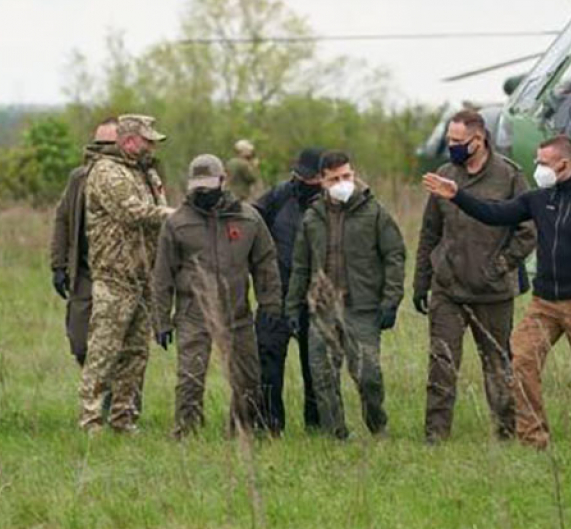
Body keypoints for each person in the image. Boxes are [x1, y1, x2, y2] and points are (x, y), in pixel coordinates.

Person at [423, 135, 571, 451]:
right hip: (544, 303)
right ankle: (533, 440)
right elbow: (496, 213)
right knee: (519, 362)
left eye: (543, 162)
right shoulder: (537, 199)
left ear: (564, 163)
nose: (537, 168)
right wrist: (457, 196)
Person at [414, 110, 536, 443]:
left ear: (478, 140)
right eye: (449, 140)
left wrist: (500, 266)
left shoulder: (509, 176)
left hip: (493, 293)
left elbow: (528, 231)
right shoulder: (444, 174)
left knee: (498, 366)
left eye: (457, 141)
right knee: (441, 365)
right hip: (448, 289)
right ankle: (435, 437)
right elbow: (429, 232)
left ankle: (506, 433)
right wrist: (421, 282)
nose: (451, 146)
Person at [152, 155, 282, 438]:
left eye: (210, 186)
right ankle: (187, 433)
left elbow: (265, 262)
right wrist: (160, 320)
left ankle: (242, 430)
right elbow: (162, 276)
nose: (204, 193)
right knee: (190, 378)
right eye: (199, 187)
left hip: (236, 313)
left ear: (223, 181)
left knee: (248, 378)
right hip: (193, 314)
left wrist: (271, 303)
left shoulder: (248, 218)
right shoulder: (176, 223)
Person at [285, 151, 406, 440]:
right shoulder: (312, 216)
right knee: (323, 377)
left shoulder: (374, 211)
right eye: (335, 178)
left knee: (369, 376)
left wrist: (391, 300)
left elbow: (394, 255)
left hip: (362, 307)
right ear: (322, 181)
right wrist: (292, 307)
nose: (343, 182)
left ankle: (377, 426)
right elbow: (301, 265)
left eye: (347, 176)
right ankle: (336, 434)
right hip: (323, 309)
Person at [77, 114, 173, 433]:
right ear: (130, 141)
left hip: (143, 277)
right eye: (148, 141)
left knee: (135, 353)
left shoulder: (145, 173)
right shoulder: (107, 172)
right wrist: (178, 216)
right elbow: (133, 213)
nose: (152, 147)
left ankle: (123, 417)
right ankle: (90, 419)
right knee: (103, 351)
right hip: (114, 278)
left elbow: (156, 207)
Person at [253, 148, 325, 435]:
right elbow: (251, 222)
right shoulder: (278, 196)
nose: (301, 180)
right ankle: (269, 425)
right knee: (268, 361)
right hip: (276, 292)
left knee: (316, 364)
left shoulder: (335, 201)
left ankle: (318, 425)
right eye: (298, 174)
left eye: (308, 177)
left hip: (318, 296)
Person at [50, 117, 118, 367]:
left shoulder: (134, 180)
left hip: (119, 274)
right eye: (98, 144)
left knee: (119, 346)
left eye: (109, 144)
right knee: (80, 341)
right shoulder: (79, 179)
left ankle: (114, 400)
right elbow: (62, 219)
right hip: (85, 271)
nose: (102, 151)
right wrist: (58, 265)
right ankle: (97, 392)